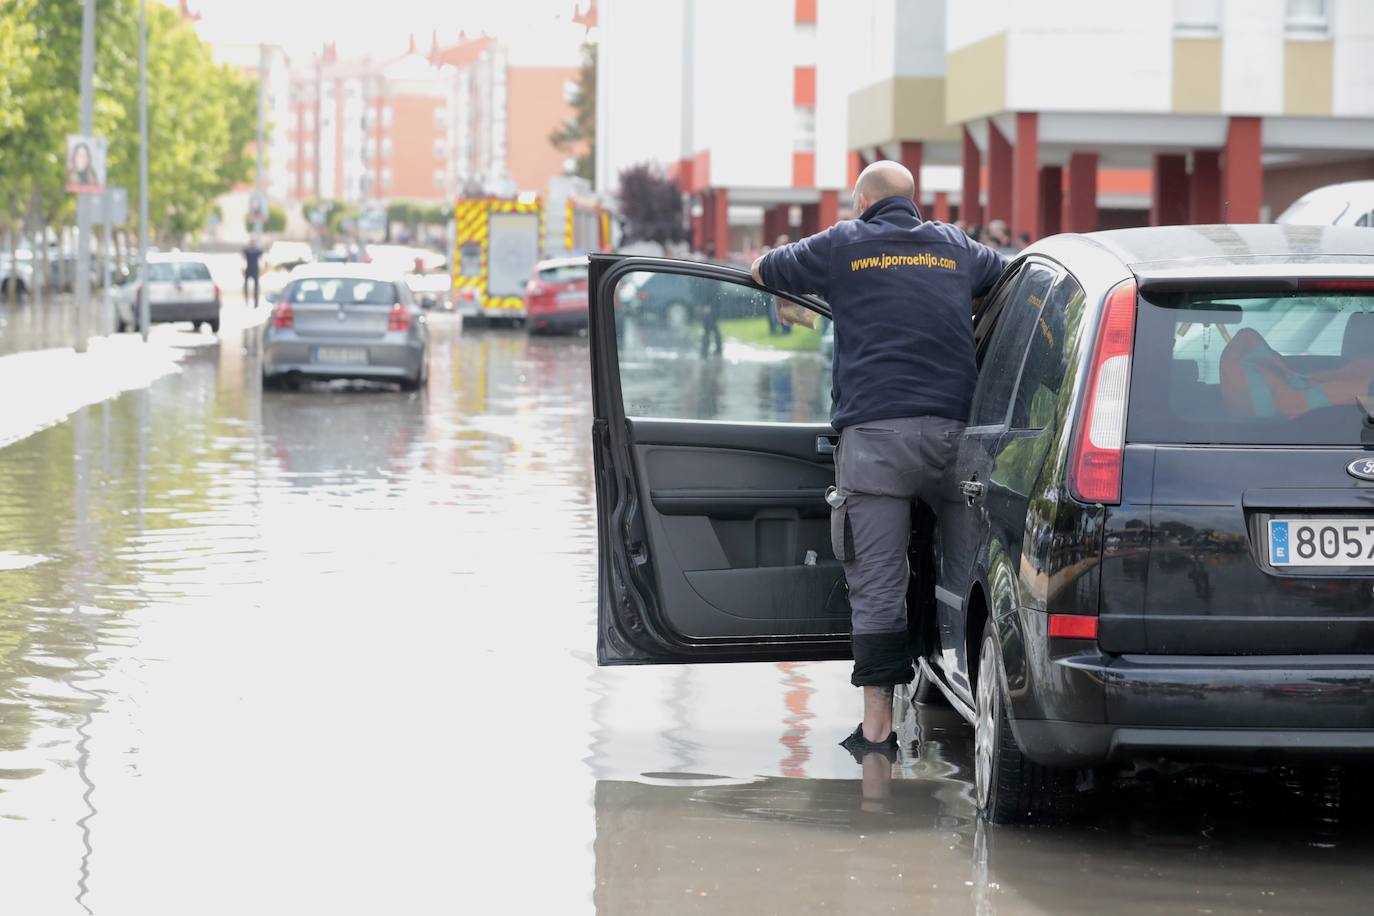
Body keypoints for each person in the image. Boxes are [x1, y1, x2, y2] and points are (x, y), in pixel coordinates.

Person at [751, 160, 1007, 758]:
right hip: (957, 440)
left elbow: (763, 268)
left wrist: (786, 295)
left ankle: (877, 739)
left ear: (861, 201)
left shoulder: (844, 243)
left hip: (876, 446)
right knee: (971, 579)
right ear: (913, 203)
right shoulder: (954, 245)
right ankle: (984, 719)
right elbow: (1007, 281)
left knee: (877, 585)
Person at [242, 236, 264, 308]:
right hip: (250, 268)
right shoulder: (254, 250)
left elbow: (261, 259)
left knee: (256, 287)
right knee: (247, 286)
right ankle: (248, 301)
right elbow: (243, 258)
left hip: (253, 269)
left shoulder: (250, 250)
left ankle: (255, 302)